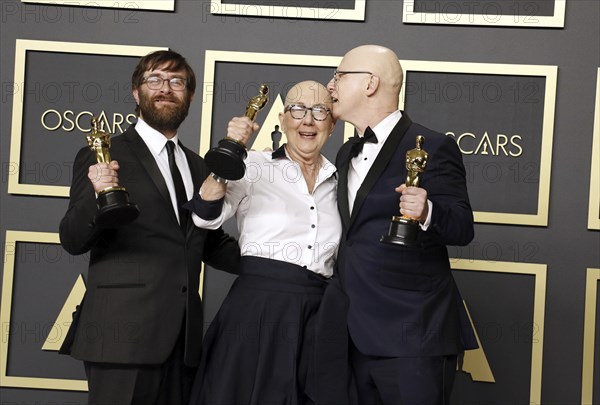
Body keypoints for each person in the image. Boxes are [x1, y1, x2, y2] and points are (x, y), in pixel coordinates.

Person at [59, 50, 240, 405]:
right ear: (136, 92)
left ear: (189, 95)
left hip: (182, 340)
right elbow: (72, 238)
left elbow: (209, 244)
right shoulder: (106, 154)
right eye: (154, 80)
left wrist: (279, 262)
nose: (165, 89)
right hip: (121, 337)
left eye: (177, 82)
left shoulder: (197, 164)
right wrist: (97, 197)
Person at [327, 45, 478, 404]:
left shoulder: (435, 146)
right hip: (349, 335)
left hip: (413, 336)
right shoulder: (345, 152)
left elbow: (462, 227)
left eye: (338, 75)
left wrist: (427, 211)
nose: (330, 85)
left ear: (369, 84)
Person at [185, 81, 349, 405]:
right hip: (256, 311)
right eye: (298, 110)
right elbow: (204, 215)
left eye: (319, 111)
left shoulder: (342, 181)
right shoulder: (253, 167)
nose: (307, 120)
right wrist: (230, 150)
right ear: (283, 119)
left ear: (333, 123)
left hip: (320, 314)